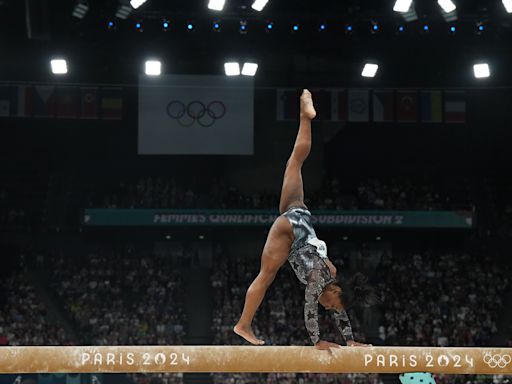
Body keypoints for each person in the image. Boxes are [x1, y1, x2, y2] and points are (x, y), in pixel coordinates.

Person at [234, 89, 378, 350]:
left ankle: (305, 116)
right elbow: (310, 309)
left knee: (295, 163)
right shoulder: (319, 278)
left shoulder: (331, 274)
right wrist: (318, 341)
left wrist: (349, 341)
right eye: (331, 304)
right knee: (266, 276)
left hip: (299, 213)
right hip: (289, 231)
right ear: (334, 291)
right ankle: (243, 324)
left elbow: (339, 310)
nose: (329, 308)